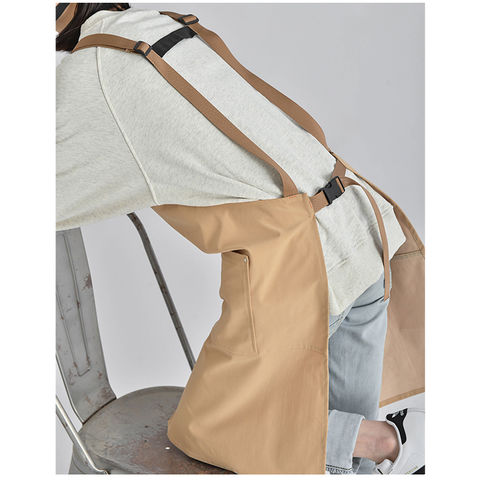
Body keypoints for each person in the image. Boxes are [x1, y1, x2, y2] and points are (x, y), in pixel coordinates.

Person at [56, 4, 424, 474]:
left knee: (216, 429)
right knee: (340, 468)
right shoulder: (160, 27)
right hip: (361, 231)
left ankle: (390, 440)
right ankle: (397, 444)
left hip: (303, 266)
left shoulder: (96, 75)